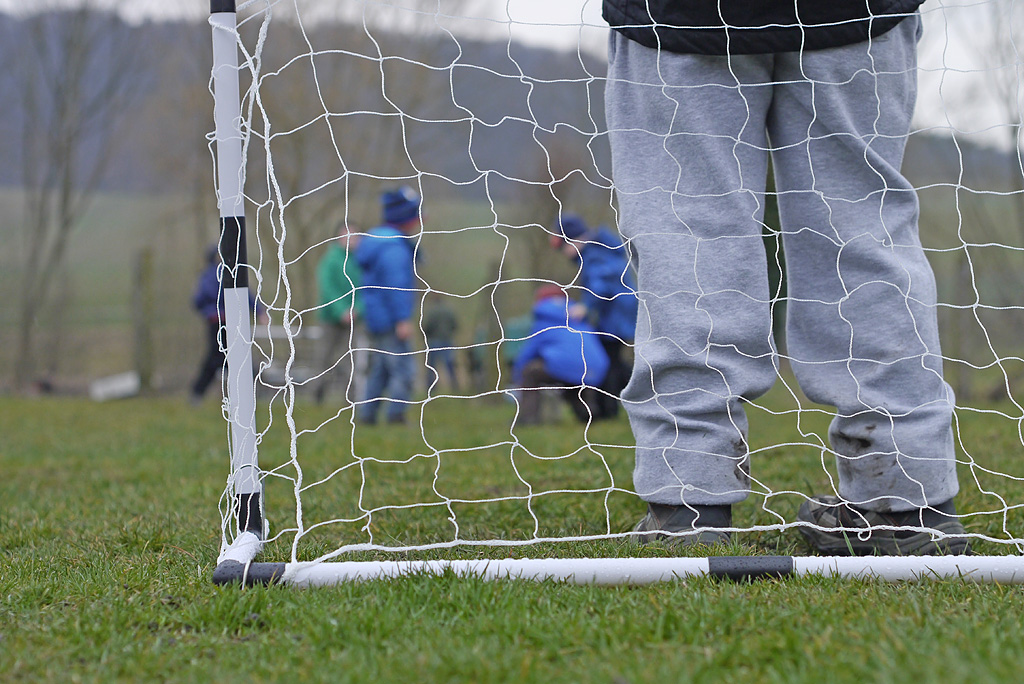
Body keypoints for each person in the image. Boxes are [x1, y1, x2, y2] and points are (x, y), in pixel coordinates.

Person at [603, 1, 968, 554]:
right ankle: (905, 500)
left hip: (682, 16)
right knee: (862, 233)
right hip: (854, 13)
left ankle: (689, 497)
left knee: (687, 229)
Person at [551, 214, 638, 419]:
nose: (564, 253)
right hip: (618, 316)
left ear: (574, 240)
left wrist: (585, 307)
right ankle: (633, 397)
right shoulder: (601, 250)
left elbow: (600, 286)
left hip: (615, 319)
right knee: (612, 361)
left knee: (608, 362)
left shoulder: (595, 255)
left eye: (564, 247)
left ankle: (609, 410)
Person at [354, 186, 422, 425]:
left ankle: (367, 415)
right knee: (403, 369)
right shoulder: (394, 248)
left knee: (381, 369)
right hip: (390, 319)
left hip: (376, 317)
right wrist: (402, 319)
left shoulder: (377, 240)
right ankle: (397, 415)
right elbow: (396, 287)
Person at [512, 285, 610, 425]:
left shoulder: (544, 320)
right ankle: (587, 412)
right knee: (571, 376)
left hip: (568, 368)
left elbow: (528, 353)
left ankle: (528, 419)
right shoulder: (580, 317)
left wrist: (516, 374)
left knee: (530, 372)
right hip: (596, 369)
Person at [189, 246, 263, 403]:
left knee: (227, 356)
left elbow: (197, 301)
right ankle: (199, 392)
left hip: (223, 322)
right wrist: (258, 311)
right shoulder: (218, 274)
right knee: (222, 357)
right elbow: (244, 295)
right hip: (221, 322)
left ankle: (245, 391)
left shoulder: (208, 276)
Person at [313, 223, 362, 404]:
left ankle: (351, 398)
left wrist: (357, 309)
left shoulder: (361, 261)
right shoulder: (330, 260)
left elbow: (366, 289)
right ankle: (317, 394)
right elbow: (327, 287)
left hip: (354, 319)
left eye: (356, 236)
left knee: (351, 359)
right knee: (324, 357)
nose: (351, 240)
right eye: (347, 235)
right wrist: (341, 310)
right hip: (330, 318)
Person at [422, 294, 460, 393]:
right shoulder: (449, 311)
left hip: (434, 340)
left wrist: (427, 335)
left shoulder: (432, 312)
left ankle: (431, 388)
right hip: (447, 340)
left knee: (432, 366)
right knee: (450, 364)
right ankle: (455, 386)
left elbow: (427, 326)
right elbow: (455, 325)